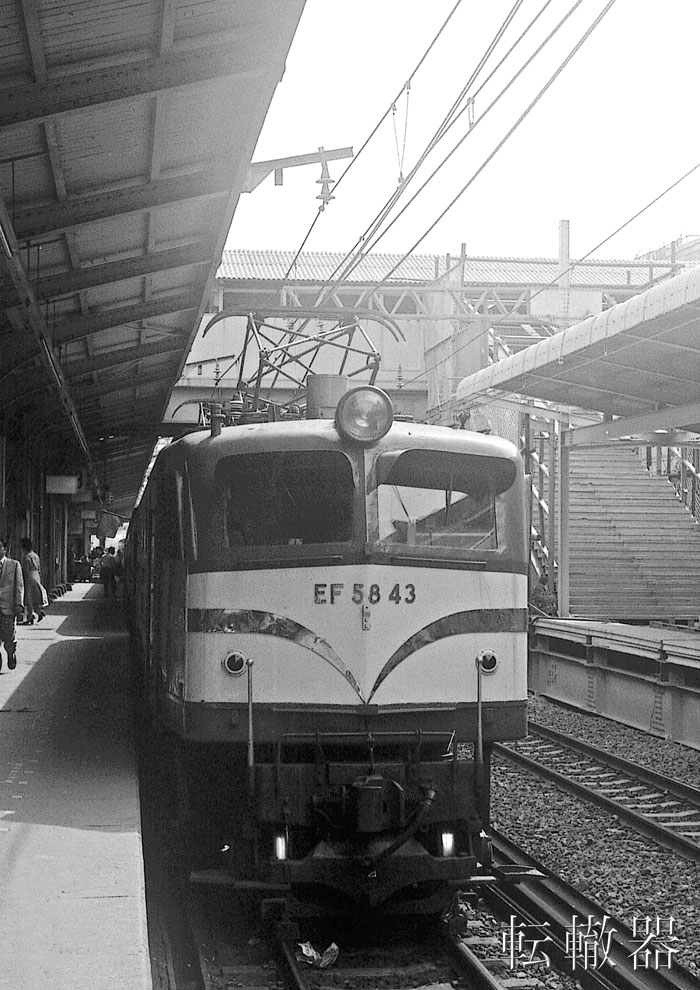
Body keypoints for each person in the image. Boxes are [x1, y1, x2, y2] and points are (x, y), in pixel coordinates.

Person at [0, 539, 25, 671]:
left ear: (4, 549)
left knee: (8, 636)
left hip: (8, 607)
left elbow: (19, 586)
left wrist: (19, 604)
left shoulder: (14, 565)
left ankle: (11, 653)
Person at [19, 537, 48, 625]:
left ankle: (30, 616)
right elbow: (39, 567)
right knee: (35, 596)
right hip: (36, 575)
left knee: (29, 597)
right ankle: (38, 612)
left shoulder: (26, 557)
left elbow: (25, 570)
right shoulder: (36, 556)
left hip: (29, 577)